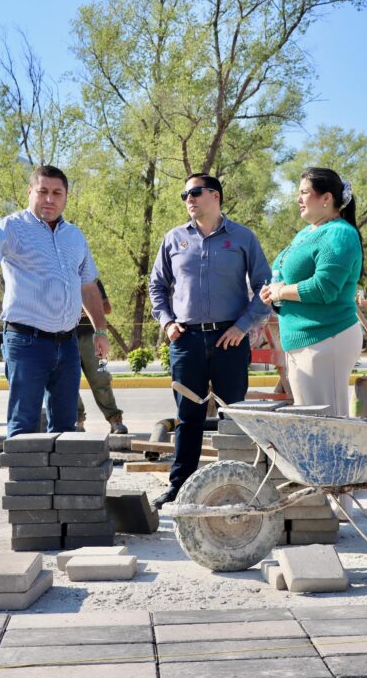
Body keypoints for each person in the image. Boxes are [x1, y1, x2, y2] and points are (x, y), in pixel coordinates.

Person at [0, 165, 110, 438]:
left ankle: (59, 482)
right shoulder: (11, 227)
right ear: (30, 192)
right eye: (43, 191)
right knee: (24, 424)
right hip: (27, 343)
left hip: (68, 344)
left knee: (66, 426)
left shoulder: (75, 236)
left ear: (65, 197)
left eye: (57, 193)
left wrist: (100, 330)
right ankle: (24, 480)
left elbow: (88, 286)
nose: (50, 199)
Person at [148, 173, 271, 508]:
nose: (188, 198)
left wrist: (242, 326)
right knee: (189, 417)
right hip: (185, 340)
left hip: (229, 340)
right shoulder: (173, 239)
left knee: (235, 416)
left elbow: (265, 288)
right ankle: (180, 488)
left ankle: (240, 486)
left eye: (195, 192)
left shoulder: (243, 238)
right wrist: (167, 322)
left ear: (214, 196)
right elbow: (156, 286)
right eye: (184, 194)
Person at [259, 167, 363, 416]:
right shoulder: (306, 233)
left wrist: (281, 292)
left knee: (327, 425)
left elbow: (324, 288)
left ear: (326, 198)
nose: (298, 199)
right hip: (302, 342)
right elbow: (285, 274)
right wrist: (273, 294)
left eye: (305, 192)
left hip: (326, 339)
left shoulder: (339, 233)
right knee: (310, 424)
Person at [75, 278, 128, 434]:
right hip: (65, 338)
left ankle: (115, 420)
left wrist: (80, 308)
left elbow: (106, 308)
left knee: (102, 378)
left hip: (93, 338)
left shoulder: (92, 279)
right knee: (69, 383)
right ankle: (77, 421)